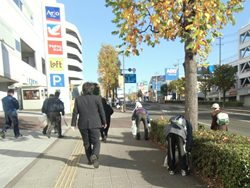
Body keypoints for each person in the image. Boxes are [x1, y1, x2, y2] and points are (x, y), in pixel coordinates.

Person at [71, 82, 106, 168]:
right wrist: (104, 122)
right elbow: (101, 111)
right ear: (92, 89)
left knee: (86, 143)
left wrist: (73, 124)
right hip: (95, 123)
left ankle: (90, 160)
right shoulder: (97, 98)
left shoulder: (78, 99)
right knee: (96, 141)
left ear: (83, 89)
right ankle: (94, 155)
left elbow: (75, 112)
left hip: (82, 124)